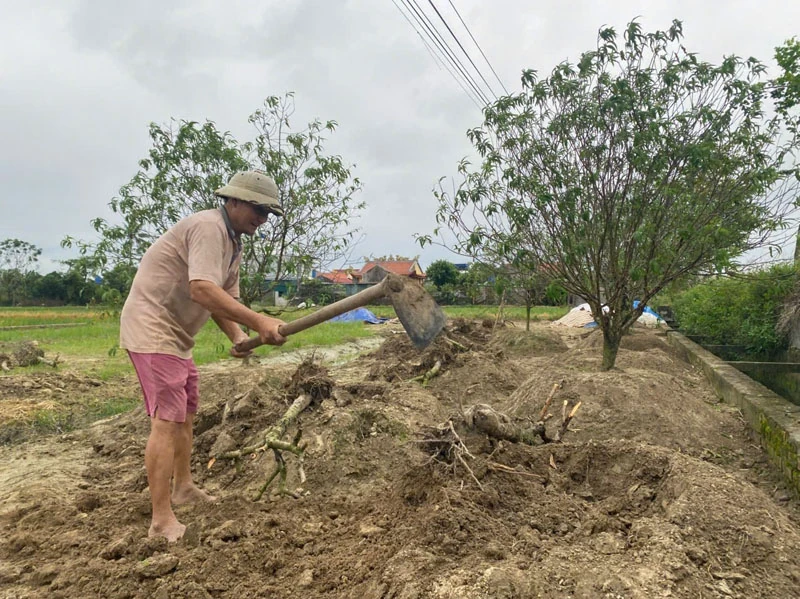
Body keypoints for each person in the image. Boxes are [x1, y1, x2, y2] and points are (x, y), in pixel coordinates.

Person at [120, 170, 287, 542]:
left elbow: (223, 301)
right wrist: (260, 320)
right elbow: (202, 290)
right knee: (166, 421)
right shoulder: (210, 228)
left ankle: (183, 488)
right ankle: (161, 520)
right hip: (153, 329)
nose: (261, 219)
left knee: (186, 414)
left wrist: (241, 335)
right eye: (257, 209)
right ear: (233, 201)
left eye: (267, 213)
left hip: (177, 338)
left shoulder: (234, 243)